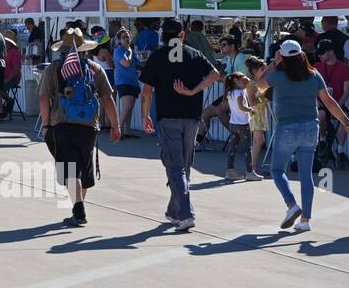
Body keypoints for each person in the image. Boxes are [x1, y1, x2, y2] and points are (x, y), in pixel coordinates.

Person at [255, 40, 349, 233]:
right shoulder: (313, 75)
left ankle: (292, 204)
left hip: (287, 128)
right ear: (301, 55)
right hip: (311, 127)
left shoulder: (277, 75)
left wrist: (273, 63)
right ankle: (305, 220)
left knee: (277, 170)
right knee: (305, 175)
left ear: (283, 57)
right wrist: (346, 122)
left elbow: (259, 83)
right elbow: (329, 102)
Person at [139, 18, 221, 231]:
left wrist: (144, 115)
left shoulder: (157, 56)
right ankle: (174, 210)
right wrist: (194, 90)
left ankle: (186, 213)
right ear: (182, 35)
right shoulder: (194, 53)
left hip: (168, 117)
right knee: (183, 165)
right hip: (192, 116)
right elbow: (215, 74)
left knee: (175, 166)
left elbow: (146, 90)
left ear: (162, 35)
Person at [38, 26, 120, 226]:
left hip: (61, 125)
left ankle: (78, 209)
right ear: (84, 48)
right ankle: (79, 206)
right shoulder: (94, 68)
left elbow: (43, 98)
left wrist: (46, 124)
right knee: (82, 169)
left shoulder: (54, 68)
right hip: (88, 126)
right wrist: (116, 125)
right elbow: (108, 99)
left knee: (69, 170)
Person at [224, 72, 253, 180]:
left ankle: (229, 170)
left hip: (233, 124)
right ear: (236, 80)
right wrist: (251, 110)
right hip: (243, 125)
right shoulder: (239, 92)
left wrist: (247, 82)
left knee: (232, 148)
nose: (246, 80)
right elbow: (241, 107)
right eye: (244, 79)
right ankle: (250, 172)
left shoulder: (230, 92)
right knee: (247, 149)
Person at [244, 56, 270, 178]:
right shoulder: (251, 84)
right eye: (262, 70)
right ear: (255, 70)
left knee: (259, 141)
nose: (265, 72)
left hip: (261, 113)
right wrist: (264, 97)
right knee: (258, 141)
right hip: (255, 114)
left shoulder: (259, 83)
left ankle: (254, 167)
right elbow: (252, 101)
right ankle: (253, 168)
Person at [112, 28, 140, 133]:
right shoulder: (119, 50)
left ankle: (127, 131)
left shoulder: (130, 50)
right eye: (124, 37)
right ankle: (117, 131)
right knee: (126, 107)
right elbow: (126, 63)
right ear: (119, 40)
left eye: (128, 36)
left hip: (133, 81)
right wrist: (131, 52)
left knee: (130, 108)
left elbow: (137, 64)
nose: (127, 39)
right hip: (123, 82)